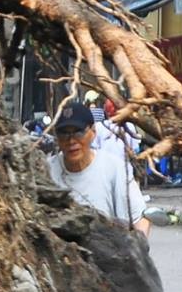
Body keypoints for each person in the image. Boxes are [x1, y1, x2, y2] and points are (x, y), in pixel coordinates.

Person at [45, 100, 151, 238]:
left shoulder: (114, 169)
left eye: (78, 132)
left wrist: (137, 250)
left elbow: (140, 219)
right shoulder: (46, 171)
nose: (71, 141)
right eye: (64, 134)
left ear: (93, 132)